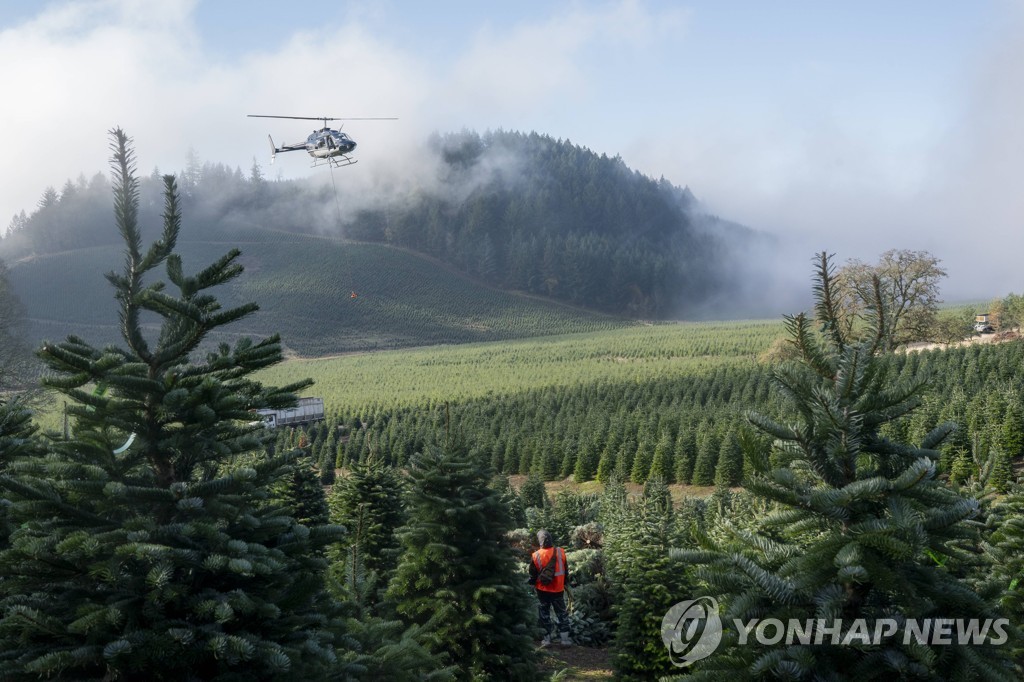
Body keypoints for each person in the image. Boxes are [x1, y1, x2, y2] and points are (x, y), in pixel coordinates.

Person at [529, 529, 571, 647]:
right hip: (558, 589)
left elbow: (532, 575)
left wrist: (531, 585)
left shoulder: (536, 555)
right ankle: (565, 640)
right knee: (562, 613)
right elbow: (566, 570)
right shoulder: (560, 552)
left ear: (540, 541)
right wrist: (565, 583)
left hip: (542, 590)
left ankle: (546, 640)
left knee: (544, 613)